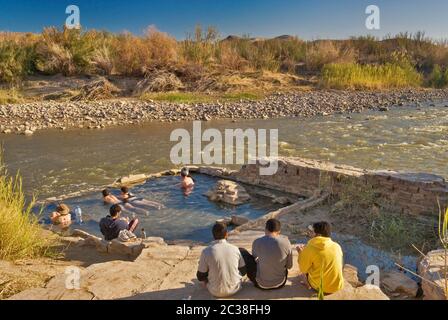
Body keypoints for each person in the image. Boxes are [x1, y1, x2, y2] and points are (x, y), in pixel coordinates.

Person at [240, 219, 293, 290]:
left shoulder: (257, 242)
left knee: (242, 251)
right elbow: (289, 266)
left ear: (265, 229)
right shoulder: (286, 242)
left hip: (260, 284)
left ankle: (239, 275)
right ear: (279, 231)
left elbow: (254, 257)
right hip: (281, 283)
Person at [197, 223, 247, 298]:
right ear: (226, 234)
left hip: (215, 291)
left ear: (213, 235)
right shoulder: (235, 249)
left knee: (204, 266)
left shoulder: (206, 251)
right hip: (235, 289)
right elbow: (243, 272)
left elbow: (200, 277)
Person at [297, 221, 344, 295]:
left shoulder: (310, 248)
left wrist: (301, 254)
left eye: (312, 231)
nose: (310, 233)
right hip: (337, 286)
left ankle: (307, 284)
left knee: (302, 275)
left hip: (320, 288)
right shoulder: (336, 246)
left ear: (318, 235)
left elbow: (303, 269)